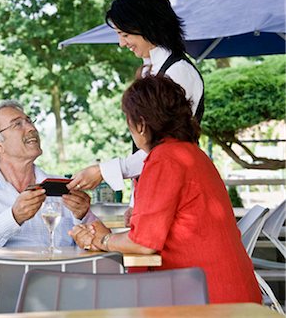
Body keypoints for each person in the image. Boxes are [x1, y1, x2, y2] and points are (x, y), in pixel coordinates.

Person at [69, 76, 261, 304]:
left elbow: (143, 244)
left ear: (140, 124)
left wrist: (102, 240)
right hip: (231, 289)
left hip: (207, 297)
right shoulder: (191, 153)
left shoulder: (165, 160)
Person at [67, 0, 204, 217]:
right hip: (158, 194)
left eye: (125, 34)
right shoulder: (152, 70)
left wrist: (103, 171)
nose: (121, 43)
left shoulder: (178, 72)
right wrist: (136, 201)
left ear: (147, 26)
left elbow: (163, 152)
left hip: (175, 198)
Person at [0, 100, 96, 248]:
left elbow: (97, 243)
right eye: (17, 124)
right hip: (4, 271)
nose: (31, 128)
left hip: (59, 270)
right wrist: (13, 217)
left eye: (29, 121)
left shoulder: (64, 186)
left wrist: (83, 216)